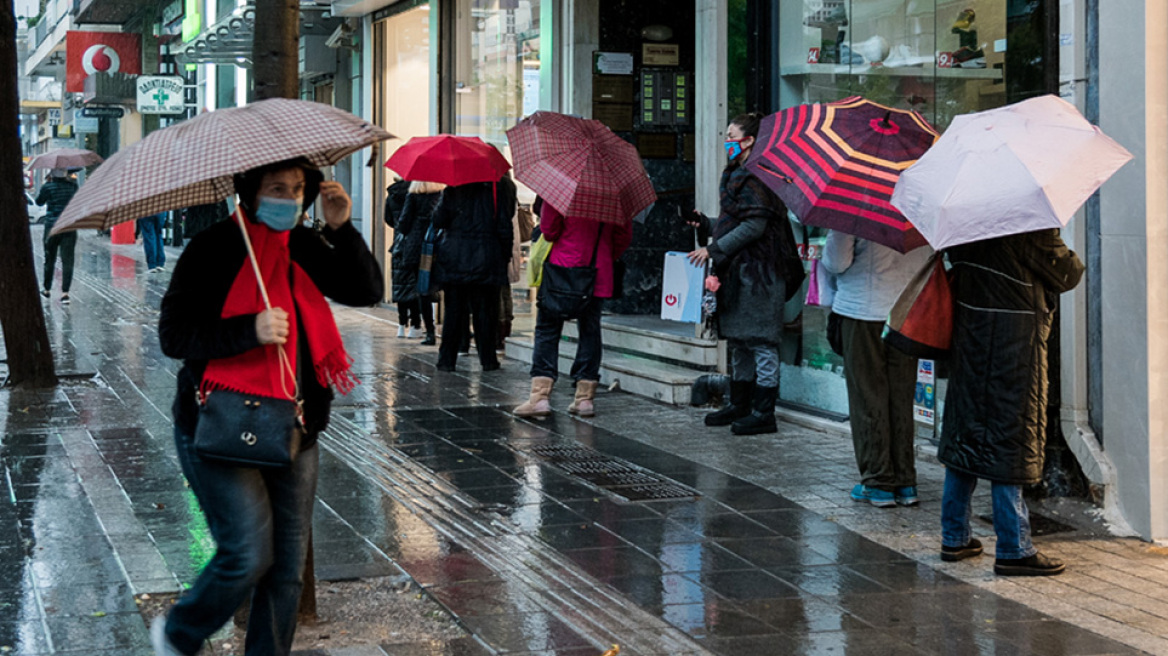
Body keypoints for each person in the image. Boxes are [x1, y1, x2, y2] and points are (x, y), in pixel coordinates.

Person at [153, 158, 383, 655]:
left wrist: (342, 227)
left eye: (299, 188)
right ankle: (179, 632)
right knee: (247, 554)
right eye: (277, 188)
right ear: (249, 193)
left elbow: (365, 292)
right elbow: (174, 334)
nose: (290, 199)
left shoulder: (300, 245)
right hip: (219, 424)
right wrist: (248, 330)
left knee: (286, 570)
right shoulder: (212, 247)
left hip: (294, 425)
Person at [938, 228, 1083, 577]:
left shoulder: (964, 221)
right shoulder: (1029, 225)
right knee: (1010, 437)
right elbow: (1069, 273)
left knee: (965, 435)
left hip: (970, 339)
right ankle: (1014, 548)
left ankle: (954, 537)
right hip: (1014, 346)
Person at [686, 112, 801, 436]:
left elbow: (755, 225)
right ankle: (740, 403)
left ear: (749, 140)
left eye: (732, 136)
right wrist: (707, 224)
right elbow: (737, 221)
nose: (727, 142)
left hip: (760, 273)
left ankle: (764, 411)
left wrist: (714, 247)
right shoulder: (739, 173)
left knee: (762, 342)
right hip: (740, 272)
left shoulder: (759, 176)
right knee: (739, 342)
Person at [821, 231, 931, 508]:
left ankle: (878, 481)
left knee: (868, 396)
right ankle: (906, 481)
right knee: (901, 397)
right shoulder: (920, 206)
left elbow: (837, 262)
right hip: (907, 314)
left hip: (863, 313)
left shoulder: (857, 205)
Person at [513, 201, 632, 418]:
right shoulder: (614, 195)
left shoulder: (562, 188)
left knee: (547, 329)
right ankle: (585, 399)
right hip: (598, 272)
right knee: (590, 331)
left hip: (563, 269)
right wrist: (603, 253)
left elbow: (549, 230)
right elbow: (623, 236)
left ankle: (540, 397)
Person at [431, 174, 516, 372]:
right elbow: (505, 225)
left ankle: (446, 360)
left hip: (455, 257)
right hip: (487, 256)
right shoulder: (498, 187)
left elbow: (438, 220)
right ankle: (488, 360)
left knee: (453, 311)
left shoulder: (454, 186)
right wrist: (504, 255)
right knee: (486, 312)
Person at [392, 180, 445, 345]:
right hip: (438, 244)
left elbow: (404, 224)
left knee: (423, 289)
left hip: (417, 246)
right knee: (445, 287)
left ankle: (429, 332)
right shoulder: (442, 194)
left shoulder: (413, 195)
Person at [37, 168, 79, 303]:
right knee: (68, 260)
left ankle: (47, 289)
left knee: (49, 258)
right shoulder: (72, 186)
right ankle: (65, 293)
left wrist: (47, 186)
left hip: (51, 226)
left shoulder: (47, 187)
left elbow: (39, 202)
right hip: (68, 226)